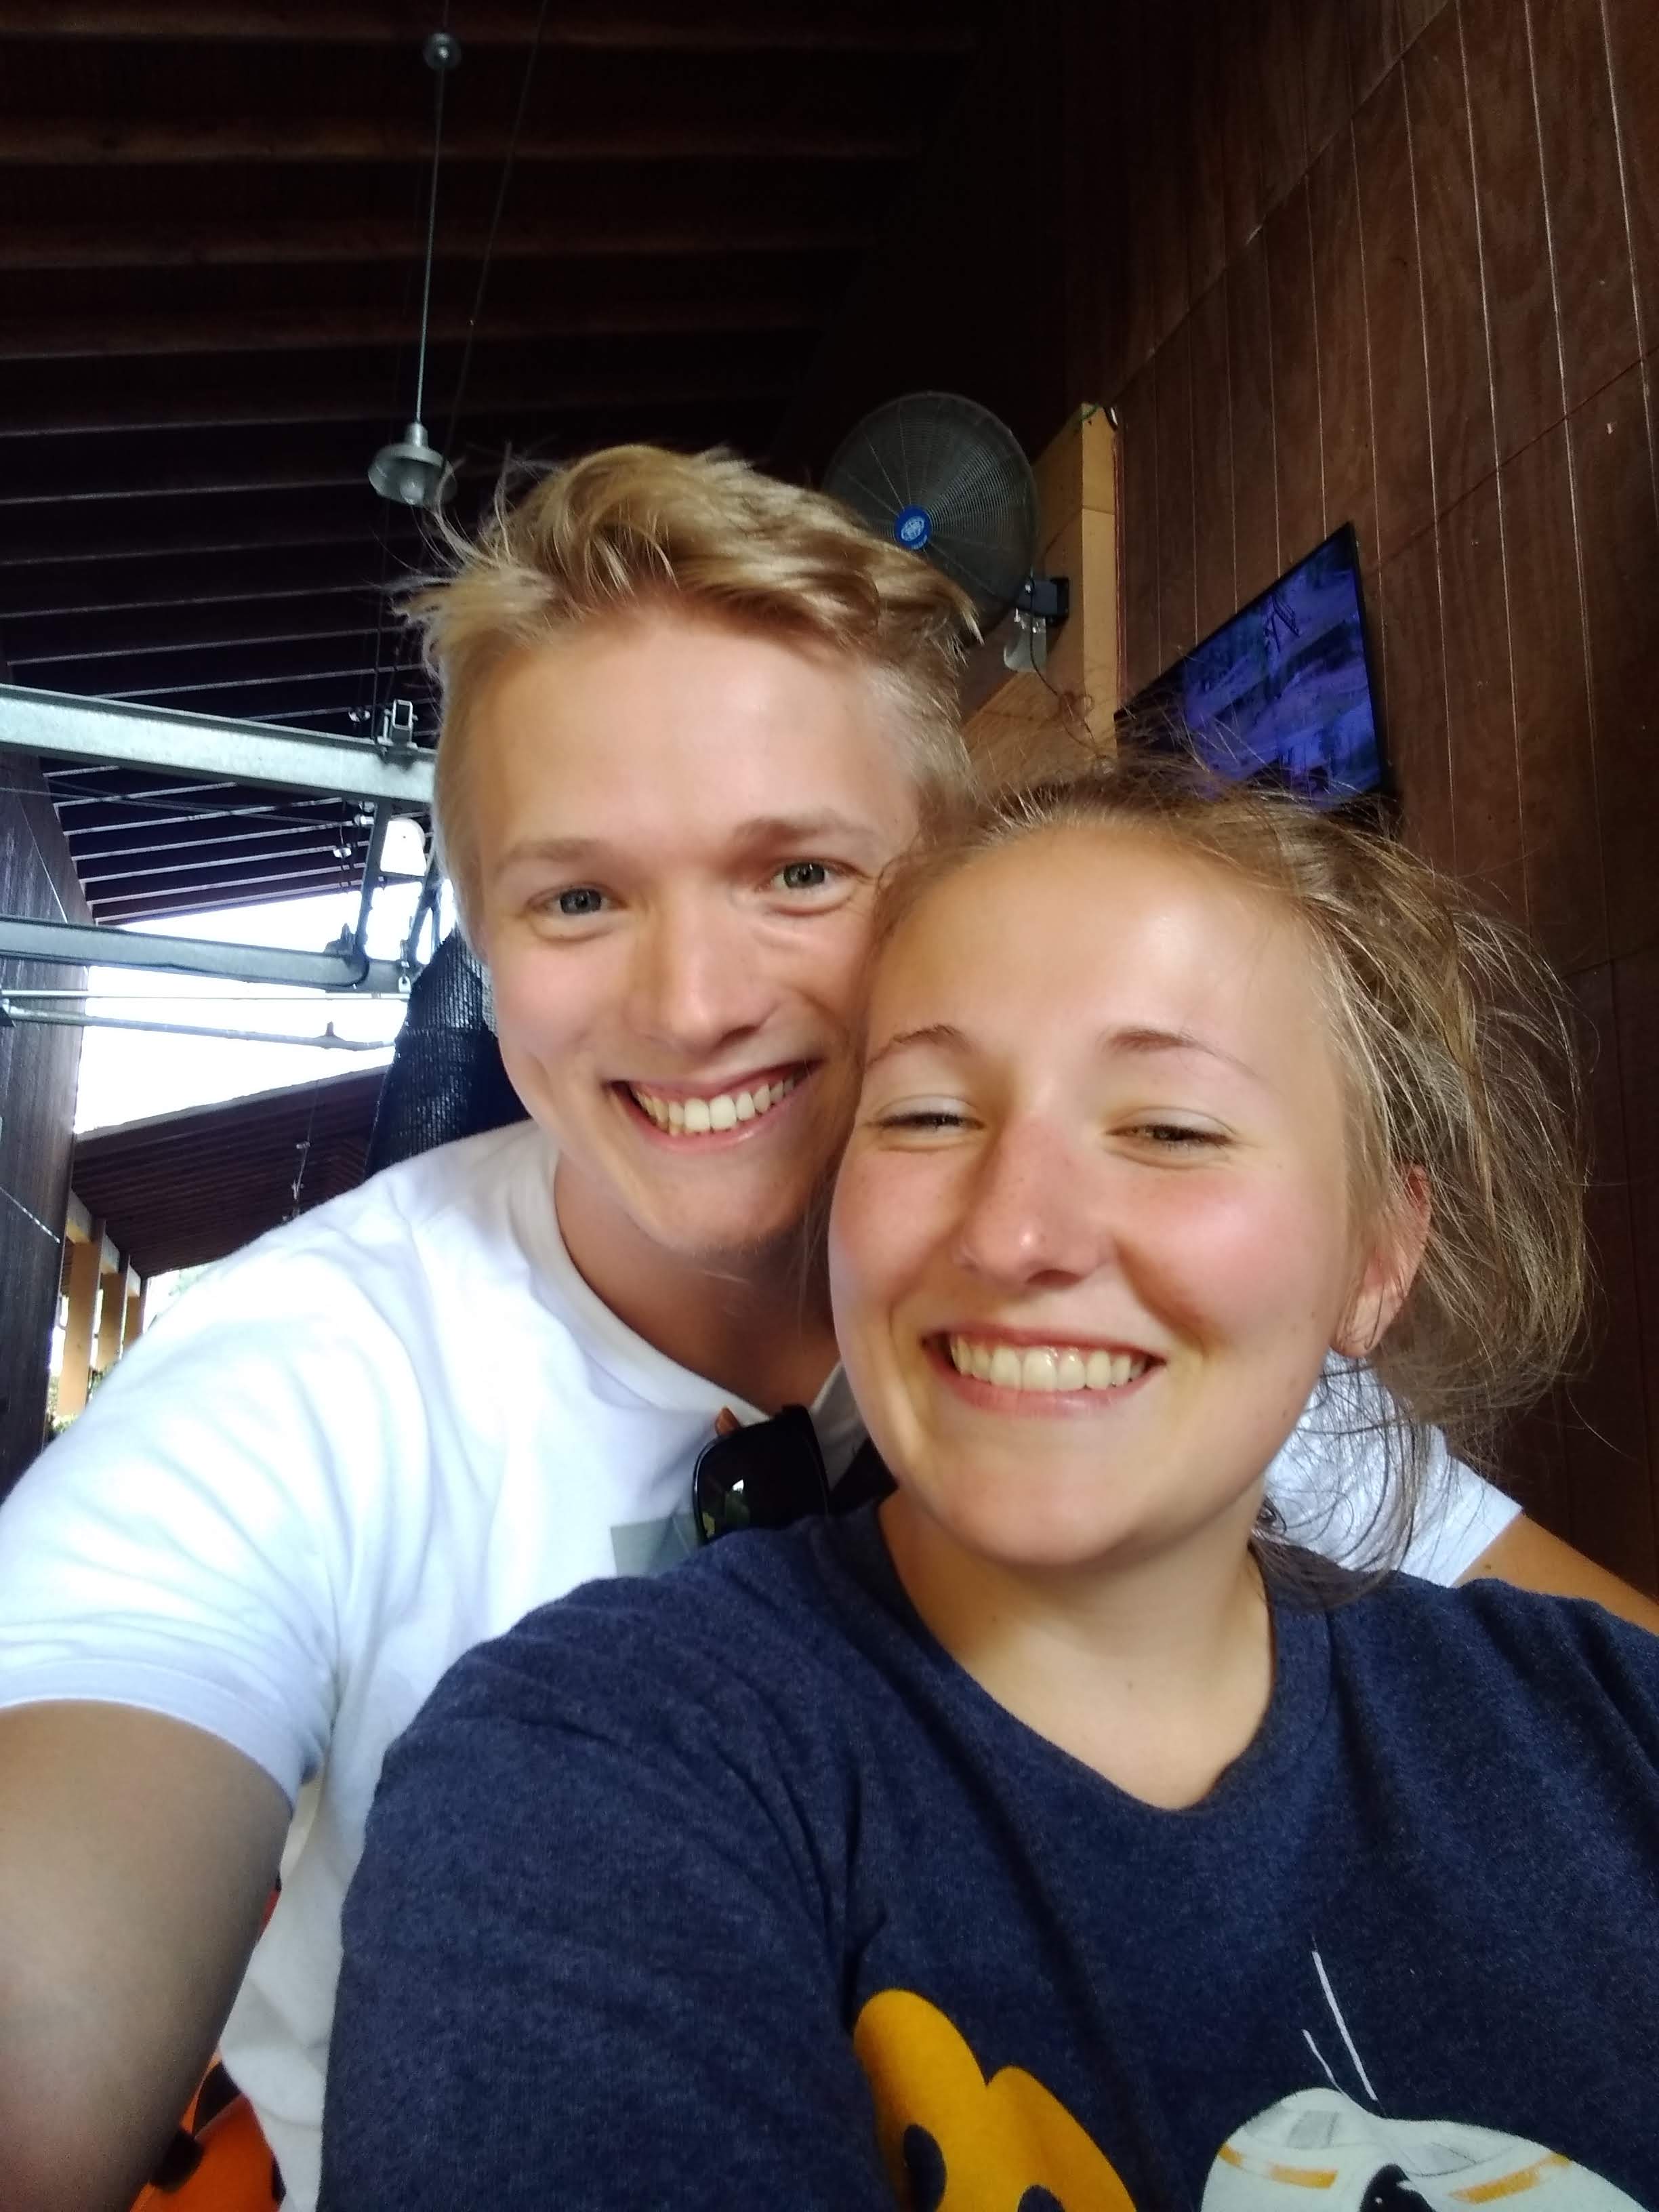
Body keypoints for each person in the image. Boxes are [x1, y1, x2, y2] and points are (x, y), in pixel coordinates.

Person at [0, 452, 1645, 2212]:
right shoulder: (290, 1399)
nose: (695, 1003)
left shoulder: (1141, 1345)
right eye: (576, 899)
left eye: (796, 872)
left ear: (947, 886)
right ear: (479, 936)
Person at [322, 756, 1659, 2211]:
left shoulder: (1604, 1725)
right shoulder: (589, 1781)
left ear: (1380, 1259)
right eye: (929, 1117)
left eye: (1168, 1129)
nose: (1017, 1233)